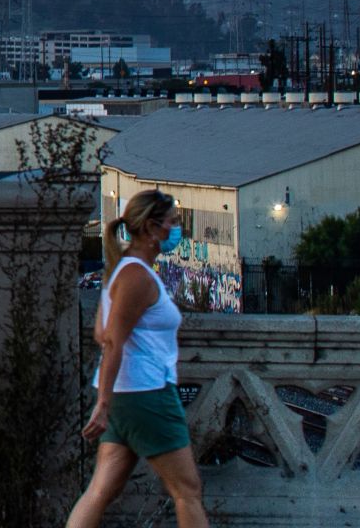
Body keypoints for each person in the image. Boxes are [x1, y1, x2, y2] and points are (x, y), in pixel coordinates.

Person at [66, 188, 211, 528]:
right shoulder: (136, 277)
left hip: (126, 395)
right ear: (150, 227)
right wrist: (102, 405)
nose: (176, 231)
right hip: (147, 393)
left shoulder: (122, 271)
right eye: (172, 223)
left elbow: (102, 333)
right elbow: (113, 341)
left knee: (100, 490)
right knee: (187, 490)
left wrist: (107, 400)